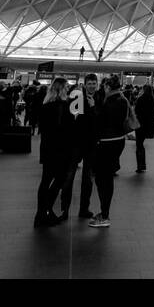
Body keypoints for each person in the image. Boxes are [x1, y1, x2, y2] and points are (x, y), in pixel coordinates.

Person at [88, 76, 130, 228]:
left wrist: (93, 107)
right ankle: (104, 212)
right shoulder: (122, 99)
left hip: (107, 143)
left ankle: (104, 215)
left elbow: (102, 121)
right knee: (105, 177)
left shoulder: (112, 101)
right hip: (118, 140)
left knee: (103, 179)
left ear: (107, 87)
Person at [34, 78, 74, 227]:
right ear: (63, 89)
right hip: (61, 149)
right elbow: (68, 129)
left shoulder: (45, 105)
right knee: (59, 179)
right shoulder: (65, 106)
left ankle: (40, 213)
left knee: (45, 180)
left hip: (47, 148)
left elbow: (43, 128)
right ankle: (47, 209)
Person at [66, 74, 100, 221]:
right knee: (69, 175)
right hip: (77, 142)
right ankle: (64, 208)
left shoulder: (99, 98)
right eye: (90, 83)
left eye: (94, 83)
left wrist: (93, 108)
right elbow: (73, 119)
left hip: (91, 143)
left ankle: (84, 208)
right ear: (85, 84)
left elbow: (100, 120)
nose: (92, 86)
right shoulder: (78, 97)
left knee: (87, 178)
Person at [133, 85, 154, 173]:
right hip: (149, 125)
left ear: (143, 90)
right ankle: (142, 165)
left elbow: (136, 111)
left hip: (140, 124)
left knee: (139, 144)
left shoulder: (140, 99)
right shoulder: (153, 99)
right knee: (141, 143)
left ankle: (140, 165)